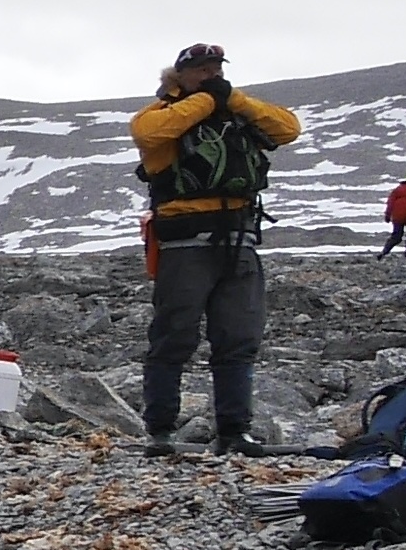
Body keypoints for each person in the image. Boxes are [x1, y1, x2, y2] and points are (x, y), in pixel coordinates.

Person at [129, 42, 302, 455]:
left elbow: (288, 129)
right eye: (203, 69)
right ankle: (160, 432)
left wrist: (234, 100)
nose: (213, 75)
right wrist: (208, 101)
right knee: (174, 337)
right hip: (185, 244)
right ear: (180, 74)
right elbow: (146, 133)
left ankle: (234, 432)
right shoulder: (161, 115)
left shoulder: (238, 111)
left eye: (217, 68)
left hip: (239, 240)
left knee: (238, 339)